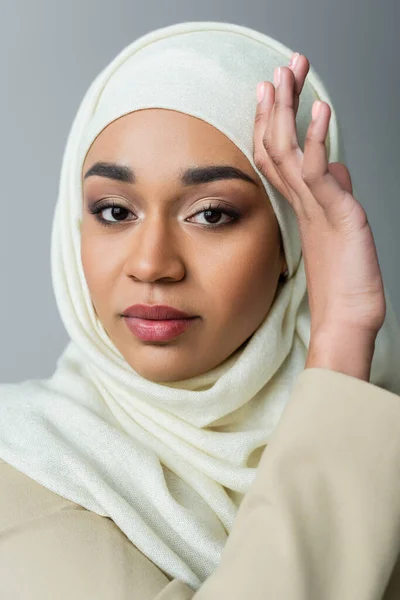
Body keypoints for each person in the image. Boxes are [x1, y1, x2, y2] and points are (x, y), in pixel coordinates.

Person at [1, 20, 400, 599]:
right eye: (114, 211)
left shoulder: (377, 429)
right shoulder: (22, 468)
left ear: (294, 243)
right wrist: (338, 344)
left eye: (211, 213)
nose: (153, 263)